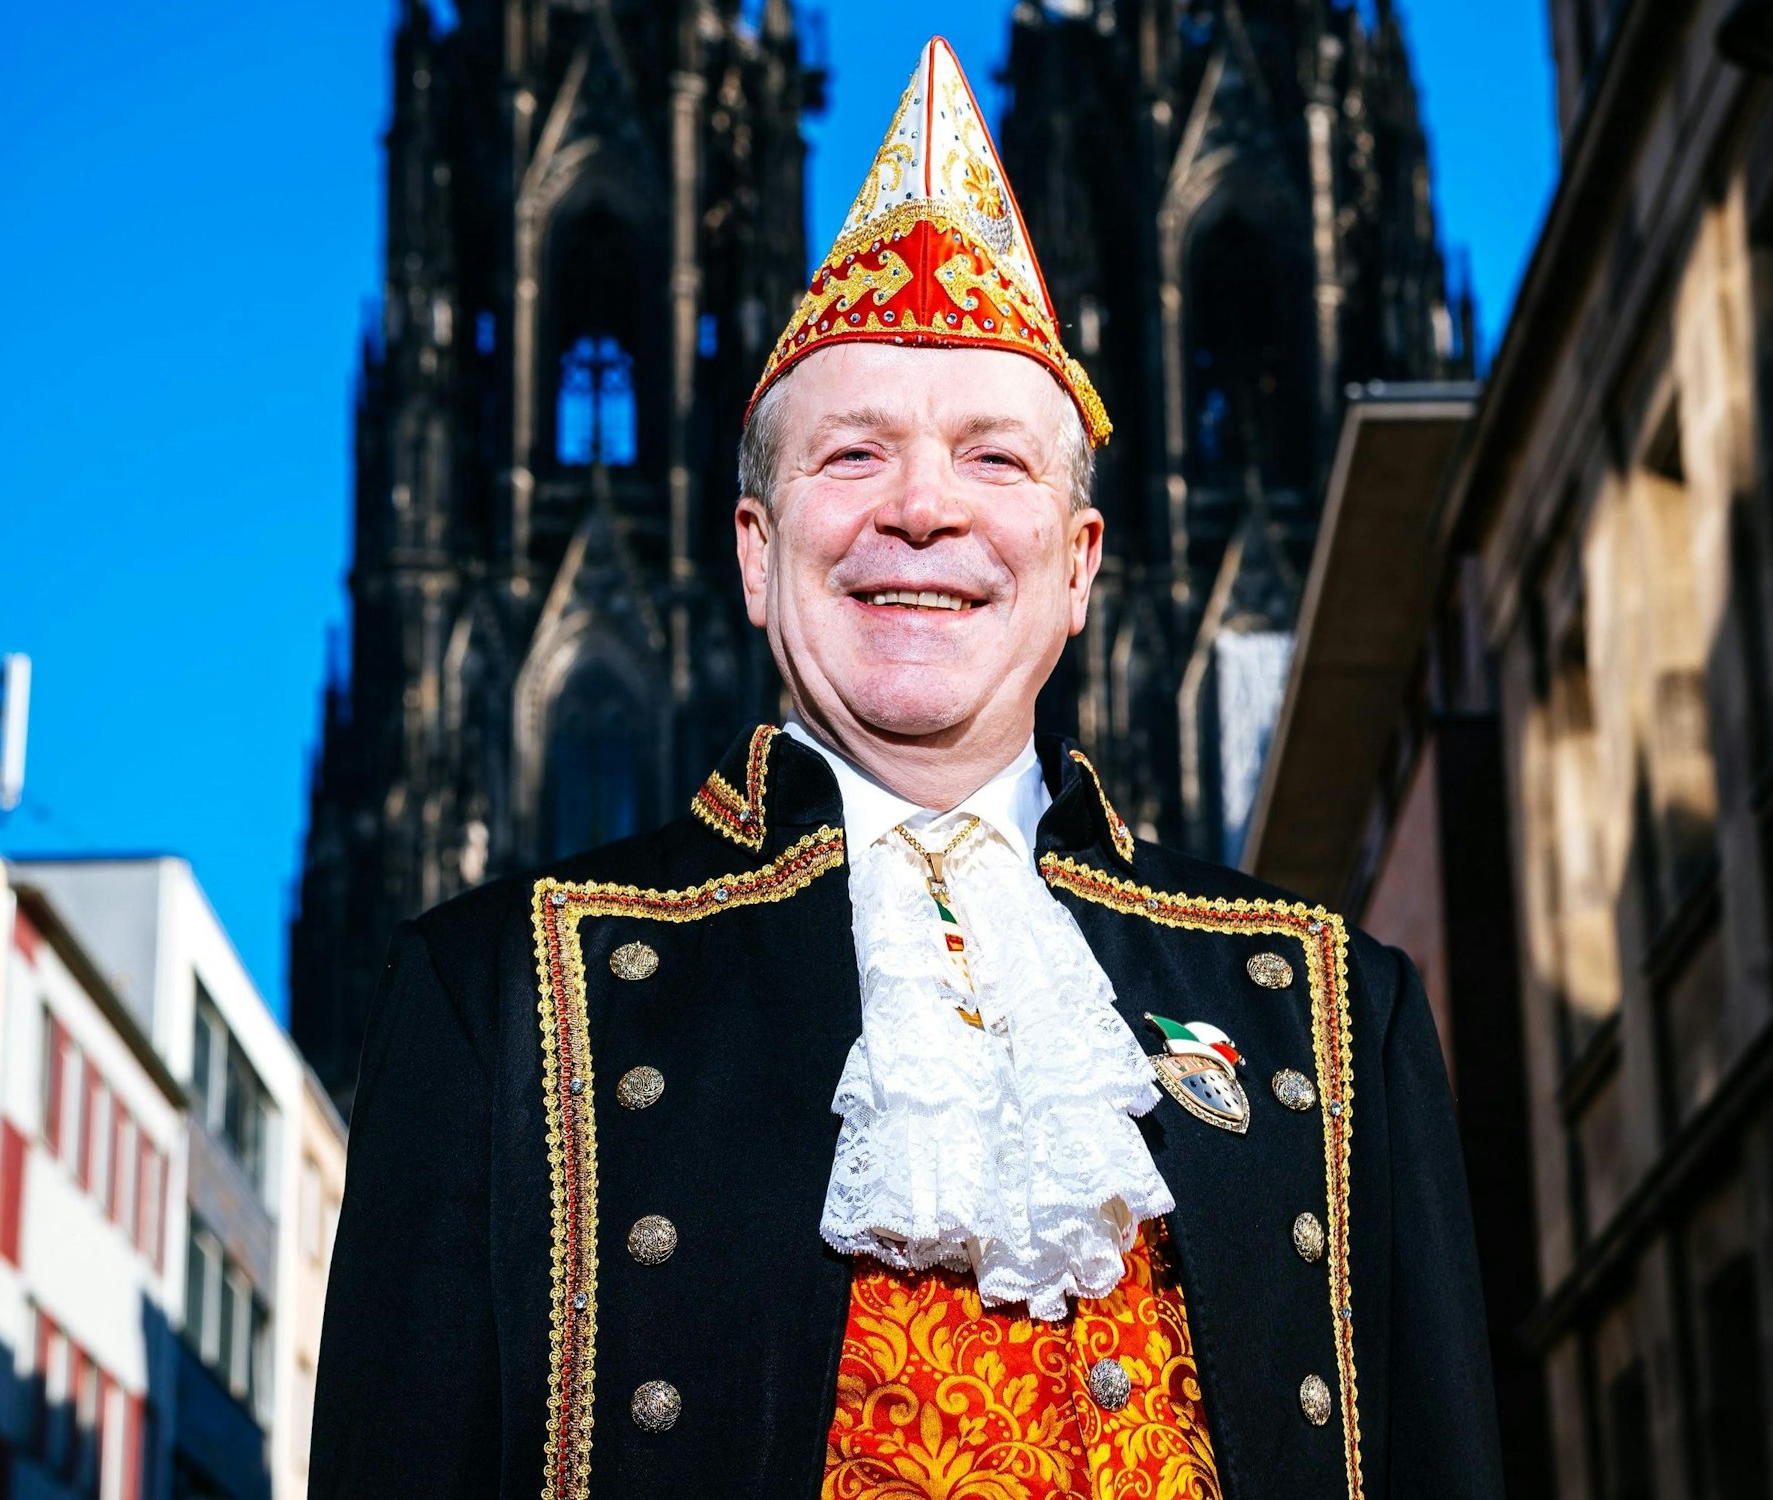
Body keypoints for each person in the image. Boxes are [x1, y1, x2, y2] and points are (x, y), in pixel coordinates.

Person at [311, 36, 1505, 1500]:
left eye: (995, 461)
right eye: (853, 456)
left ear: (1080, 569)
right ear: (755, 554)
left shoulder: (1333, 1011)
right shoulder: (497, 1002)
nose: (925, 512)